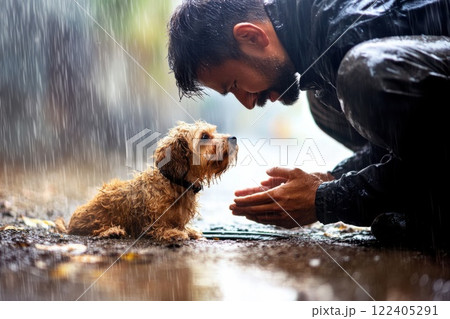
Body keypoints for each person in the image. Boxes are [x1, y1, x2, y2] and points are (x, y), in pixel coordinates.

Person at [167, 0, 450, 249]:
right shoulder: (313, 38)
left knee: (359, 76)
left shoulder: (348, 31)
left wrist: (325, 199)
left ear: (252, 37)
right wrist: (328, 179)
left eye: (235, 85)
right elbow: (414, 142)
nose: (248, 103)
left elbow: (435, 149)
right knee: (324, 101)